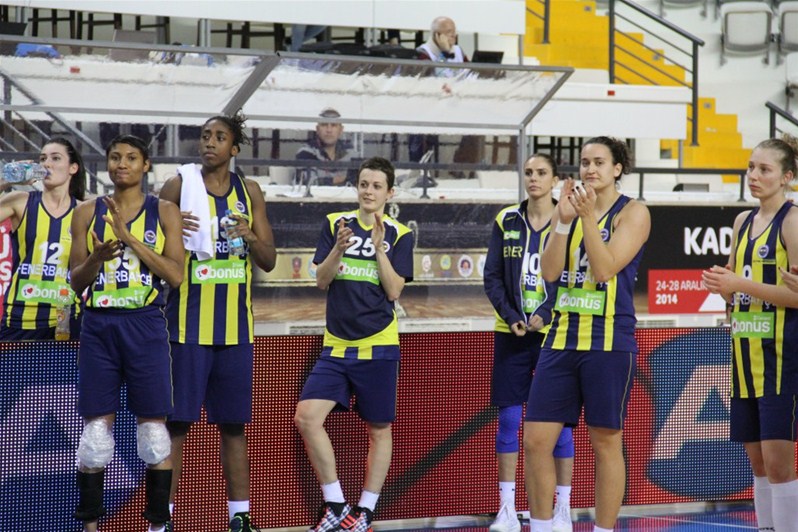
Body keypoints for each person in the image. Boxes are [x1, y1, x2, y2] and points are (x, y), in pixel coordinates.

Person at [525, 137, 650, 532]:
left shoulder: (633, 212)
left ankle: (603, 529)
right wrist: (563, 221)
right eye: (584, 162)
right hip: (561, 337)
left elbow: (604, 268)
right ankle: (542, 527)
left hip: (608, 341)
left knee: (605, 441)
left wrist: (587, 218)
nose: (590, 169)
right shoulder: (569, 209)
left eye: (599, 162)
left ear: (617, 169)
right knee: (535, 441)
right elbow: (549, 272)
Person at [160, 112, 277, 532]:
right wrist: (171, 230)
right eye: (205, 135)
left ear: (234, 147)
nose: (209, 142)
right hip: (186, 327)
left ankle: (239, 517)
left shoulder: (250, 191)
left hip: (236, 331)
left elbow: (268, 260)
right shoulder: (179, 184)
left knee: (233, 427)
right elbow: (149, 238)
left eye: (219, 136)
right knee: (177, 427)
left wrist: (250, 235)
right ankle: (162, 520)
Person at [69, 134, 185, 532]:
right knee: (94, 438)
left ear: (145, 165)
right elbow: (76, 280)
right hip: (98, 326)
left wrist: (129, 237)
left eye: (131, 158)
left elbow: (176, 275)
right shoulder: (86, 212)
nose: (122, 164)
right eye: (115, 157)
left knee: (154, 436)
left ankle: (158, 525)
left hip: (145, 324)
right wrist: (97, 258)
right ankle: (90, 527)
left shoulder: (165, 211)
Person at [294, 156, 414, 532]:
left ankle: (364, 512)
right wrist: (338, 249)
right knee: (307, 417)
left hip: (378, 345)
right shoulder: (336, 223)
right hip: (336, 346)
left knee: (379, 429)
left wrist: (379, 249)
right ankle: (335, 504)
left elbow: (394, 290)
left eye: (377, 186)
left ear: (390, 193)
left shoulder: (399, 234)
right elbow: (321, 280)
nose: (368, 191)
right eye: (364, 184)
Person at [703, 135, 798, 532]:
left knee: (778, 465)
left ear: (787, 177)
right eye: (750, 167)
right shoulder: (742, 221)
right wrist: (722, 286)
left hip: (780, 358)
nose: (753, 176)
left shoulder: (792, 221)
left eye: (764, 169)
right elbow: (734, 286)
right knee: (757, 464)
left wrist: (739, 284)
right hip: (744, 357)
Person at [483, 154, 575, 532]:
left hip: (556, 335)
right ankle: (506, 509)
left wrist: (548, 312)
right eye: (528, 173)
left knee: (560, 426)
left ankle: (563, 509)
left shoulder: (568, 220)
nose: (533, 178)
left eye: (541, 173)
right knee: (508, 420)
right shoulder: (506, 220)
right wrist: (511, 316)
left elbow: (572, 277)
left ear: (555, 180)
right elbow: (491, 277)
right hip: (512, 333)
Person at [0, 137, 86, 340]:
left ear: (73, 168)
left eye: (55, 158)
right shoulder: (21, 201)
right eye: (43, 158)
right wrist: (6, 180)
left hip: (65, 316)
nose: (47, 164)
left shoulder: (84, 210)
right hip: (20, 315)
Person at [295, 107, 357, 187]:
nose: (329, 130)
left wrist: (325, 180)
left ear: (341, 130)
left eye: (333, 125)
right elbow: (308, 182)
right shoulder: (306, 152)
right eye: (324, 125)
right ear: (317, 129)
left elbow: (359, 182)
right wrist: (337, 180)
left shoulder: (350, 153)